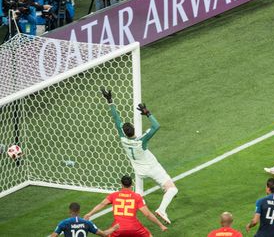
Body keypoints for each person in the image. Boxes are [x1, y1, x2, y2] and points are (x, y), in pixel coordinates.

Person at [101, 88, 178, 224]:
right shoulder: (141, 141)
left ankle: (140, 199)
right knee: (172, 189)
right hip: (152, 168)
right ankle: (161, 210)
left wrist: (110, 101)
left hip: (139, 171)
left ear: (124, 132)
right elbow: (156, 126)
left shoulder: (122, 139)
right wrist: (147, 112)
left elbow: (116, 118)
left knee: (157, 187)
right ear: (134, 130)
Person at [84, 175, 168, 236]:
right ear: (131, 185)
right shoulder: (137, 197)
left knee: (107, 234)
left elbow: (102, 204)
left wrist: (90, 214)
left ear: (121, 184)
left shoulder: (114, 195)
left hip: (117, 227)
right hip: (134, 227)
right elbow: (147, 214)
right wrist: (161, 225)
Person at [50, 202, 119, 237]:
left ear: (70, 211)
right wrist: (114, 228)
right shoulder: (87, 223)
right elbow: (104, 234)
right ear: (79, 211)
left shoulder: (64, 223)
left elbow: (53, 236)